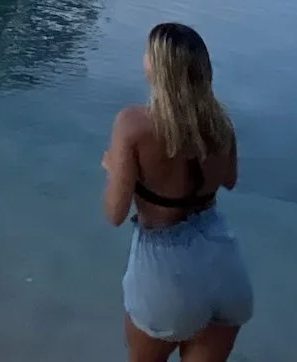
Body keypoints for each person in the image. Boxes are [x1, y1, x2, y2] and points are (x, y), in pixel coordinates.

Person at [101, 22, 253, 362]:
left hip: (166, 271)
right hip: (223, 262)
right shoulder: (220, 122)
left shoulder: (132, 124)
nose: (142, 58)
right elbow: (229, 179)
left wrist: (116, 171)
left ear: (158, 66)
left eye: (147, 53)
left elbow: (114, 214)